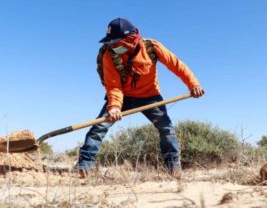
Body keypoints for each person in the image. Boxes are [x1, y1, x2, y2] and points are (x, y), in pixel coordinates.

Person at [76, 17, 205, 178]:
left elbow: (177, 65)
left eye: (116, 42)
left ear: (131, 39)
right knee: (99, 127)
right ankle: (84, 166)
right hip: (122, 96)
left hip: (150, 96)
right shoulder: (108, 54)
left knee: (167, 129)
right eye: (111, 42)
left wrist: (193, 84)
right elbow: (113, 85)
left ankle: (173, 168)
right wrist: (114, 106)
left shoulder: (152, 47)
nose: (112, 45)